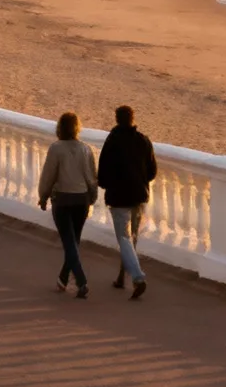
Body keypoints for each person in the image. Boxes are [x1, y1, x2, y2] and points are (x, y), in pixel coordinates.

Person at [97, 104, 157, 299]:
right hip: (139, 196)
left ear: (117, 119)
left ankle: (137, 278)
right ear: (133, 119)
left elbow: (102, 173)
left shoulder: (112, 141)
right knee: (132, 238)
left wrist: (108, 186)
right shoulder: (143, 141)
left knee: (124, 238)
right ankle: (122, 276)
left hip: (119, 197)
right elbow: (152, 171)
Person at [38, 111, 98, 298]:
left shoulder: (56, 148)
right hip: (81, 200)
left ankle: (81, 280)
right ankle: (63, 278)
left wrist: (43, 196)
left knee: (69, 242)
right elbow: (91, 177)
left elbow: (49, 175)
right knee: (73, 241)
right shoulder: (86, 149)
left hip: (63, 200)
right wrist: (92, 197)